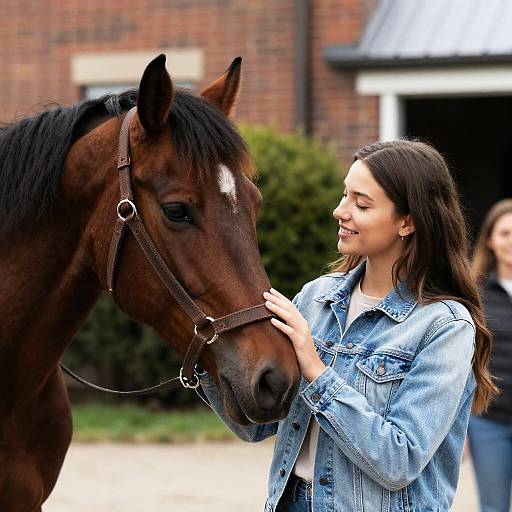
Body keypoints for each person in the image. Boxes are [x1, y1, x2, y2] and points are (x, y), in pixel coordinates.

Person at [198, 139, 497, 512]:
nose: (340, 211)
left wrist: (316, 371)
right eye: (345, 195)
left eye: (362, 203)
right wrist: (199, 352)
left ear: (407, 221)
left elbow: (399, 460)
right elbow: (255, 426)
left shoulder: (445, 327)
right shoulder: (315, 298)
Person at [468, 199, 512, 512]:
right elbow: (464, 364)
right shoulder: (474, 295)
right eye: (505, 233)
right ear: (490, 240)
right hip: (489, 423)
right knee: (494, 507)